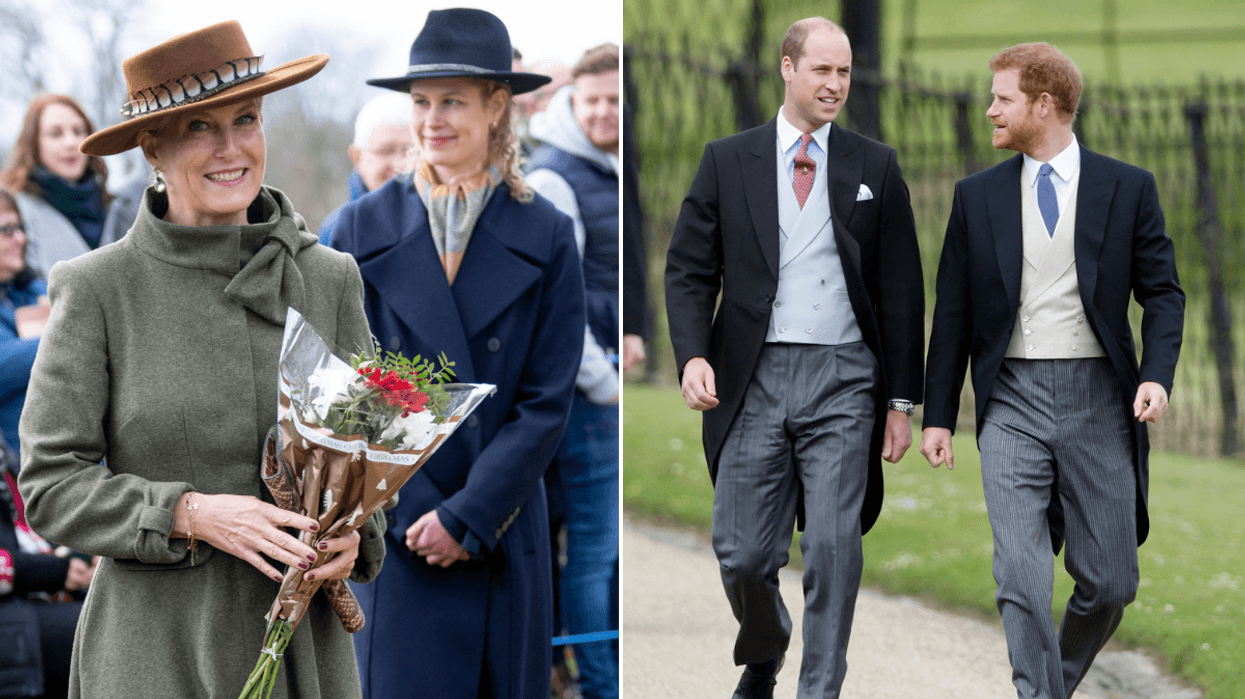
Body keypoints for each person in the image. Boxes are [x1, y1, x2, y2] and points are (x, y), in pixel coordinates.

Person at [16, 21, 387, 698]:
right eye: (198, 128)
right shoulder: (99, 287)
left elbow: (366, 463)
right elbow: (49, 484)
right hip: (154, 650)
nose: (230, 148)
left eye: (246, 119)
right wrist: (189, 512)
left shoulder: (331, 278)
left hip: (302, 652)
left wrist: (353, 540)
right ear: (151, 147)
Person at [664, 17, 925, 699]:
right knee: (743, 554)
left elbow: (901, 293)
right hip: (750, 378)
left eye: (843, 72)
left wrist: (899, 400)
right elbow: (689, 268)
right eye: (821, 71)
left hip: (845, 378)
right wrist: (693, 355)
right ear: (787, 68)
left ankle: (818, 689)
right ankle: (765, 647)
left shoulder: (876, 165)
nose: (835, 84)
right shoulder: (728, 159)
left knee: (835, 548)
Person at [330, 9, 584, 699]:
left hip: (498, 531)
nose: (431, 118)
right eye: (420, 101)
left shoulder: (548, 232)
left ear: (496, 105)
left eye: (452, 100)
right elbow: (334, 390)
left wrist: (468, 515)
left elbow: (545, 400)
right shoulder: (354, 229)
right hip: (393, 534)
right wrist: (413, 510)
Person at [919, 43, 1184, 699]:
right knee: (1019, 572)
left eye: (1001, 98)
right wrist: (937, 416)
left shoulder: (1127, 187)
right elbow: (950, 313)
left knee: (1110, 580)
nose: (989, 110)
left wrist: (1155, 373)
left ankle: (1054, 682)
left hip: (1099, 399)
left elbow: (1164, 293)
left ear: (1044, 104)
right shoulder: (974, 197)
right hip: (1010, 399)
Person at [525, 42, 620, 699]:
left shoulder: (606, 165)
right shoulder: (559, 174)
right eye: (592, 101)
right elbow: (565, 302)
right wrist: (604, 381)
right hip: (590, 392)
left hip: (606, 376)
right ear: (570, 102)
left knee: (596, 547)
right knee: (591, 547)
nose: (605, 112)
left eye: (616, 100)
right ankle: (602, 681)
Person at [0, 188, 93, 699]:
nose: (19, 239)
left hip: (54, 469)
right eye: (5, 230)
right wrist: (57, 332)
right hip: (15, 490)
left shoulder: (30, 293)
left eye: (19, 227)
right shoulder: (45, 307)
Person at [0, 95, 142, 279]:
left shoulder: (119, 206)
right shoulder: (15, 213)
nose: (71, 143)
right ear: (33, 143)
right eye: (56, 133)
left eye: (78, 131)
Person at [318, 91, 415, 245]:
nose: (400, 164)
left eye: (408, 150)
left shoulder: (438, 219)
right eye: (386, 151)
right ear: (357, 157)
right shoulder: (337, 232)